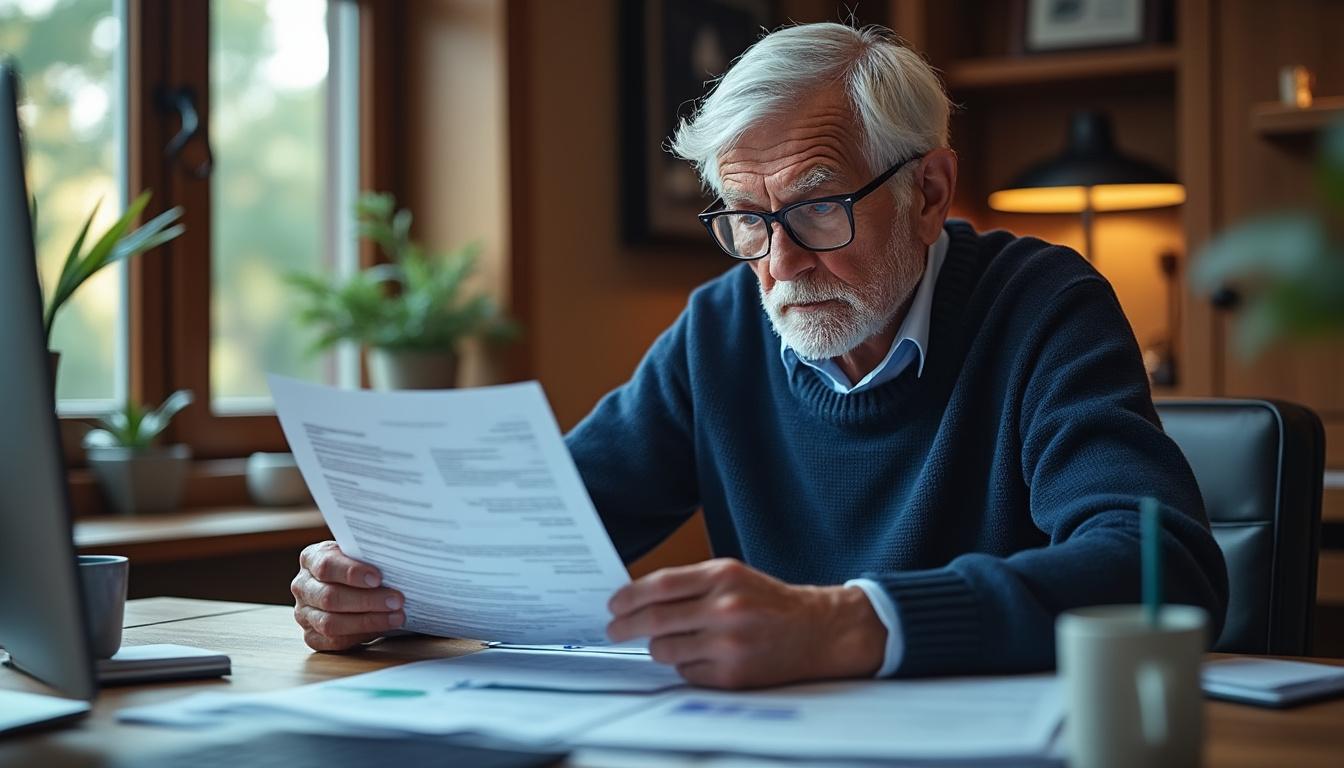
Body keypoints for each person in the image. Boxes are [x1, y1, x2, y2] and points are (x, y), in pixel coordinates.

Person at [290, 22, 1227, 690]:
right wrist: (383, 587)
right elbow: (539, 530)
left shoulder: (1045, 306)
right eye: (746, 217)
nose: (779, 264)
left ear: (931, 191)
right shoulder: (720, 330)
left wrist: (847, 624)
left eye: (817, 207)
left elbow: (1159, 570)